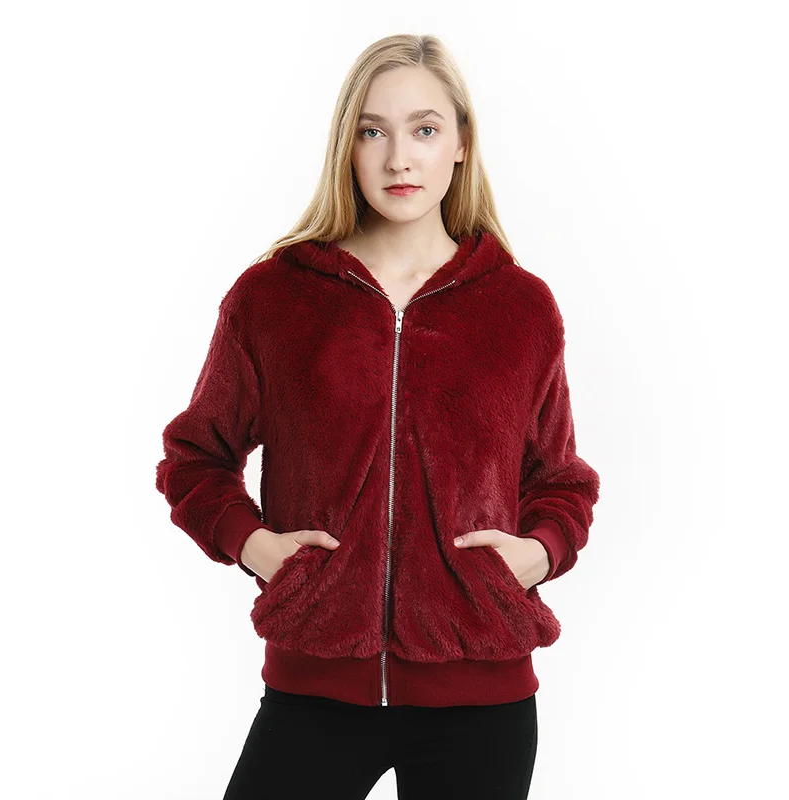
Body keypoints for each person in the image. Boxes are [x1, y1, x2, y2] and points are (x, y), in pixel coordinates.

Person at [156, 33, 600, 800]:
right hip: (314, 691)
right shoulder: (274, 298)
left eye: (424, 129)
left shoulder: (520, 308)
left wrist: (540, 552)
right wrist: (255, 546)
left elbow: (559, 480)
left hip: (482, 701)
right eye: (373, 131)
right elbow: (196, 456)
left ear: (461, 144)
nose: (400, 158)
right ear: (348, 146)